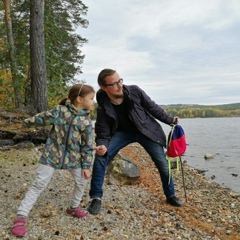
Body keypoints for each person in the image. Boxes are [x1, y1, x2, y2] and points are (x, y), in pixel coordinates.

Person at [88, 68, 183, 215]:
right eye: (114, 84)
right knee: (101, 157)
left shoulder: (135, 92)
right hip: (122, 133)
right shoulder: (103, 107)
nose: (120, 86)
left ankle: (171, 195)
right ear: (103, 87)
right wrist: (102, 144)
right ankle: (96, 197)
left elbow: (153, 108)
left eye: (120, 81)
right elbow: (102, 131)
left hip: (146, 131)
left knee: (163, 164)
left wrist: (170, 120)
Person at [11, 84, 95, 237]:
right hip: (52, 154)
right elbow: (41, 118)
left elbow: (88, 146)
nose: (93, 102)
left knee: (82, 181)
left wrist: (86, 166)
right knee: (39, 183)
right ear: (80, 99)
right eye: (91, 98)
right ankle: (21, 216)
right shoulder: (59, 111)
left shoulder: (86, 121)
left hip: (74, 158)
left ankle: (73, 207)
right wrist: (26, 123)